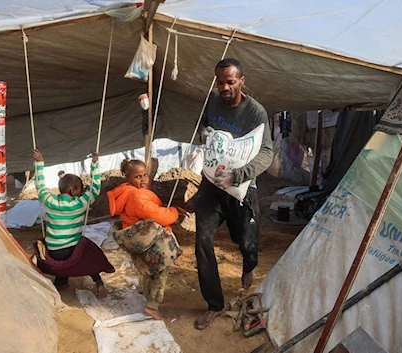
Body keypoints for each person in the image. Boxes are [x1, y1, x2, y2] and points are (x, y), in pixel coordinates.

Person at [194, 58, 273, 330]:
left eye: (230, 82)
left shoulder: (256, 113)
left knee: (247, 242)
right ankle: (215, 304)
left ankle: (249, 265)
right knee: (202, 242)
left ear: (241, 80)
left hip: (241, 188)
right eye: (220, 82)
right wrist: (203, 132)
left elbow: (266, 152)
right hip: (211, 185)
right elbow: (202, 126)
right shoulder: (213, 102)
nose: (224, 87)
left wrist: (238, 175)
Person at [107, 158, 186, 320]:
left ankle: (146, 293)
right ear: (127, 178)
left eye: (145, 175)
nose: (143, 179)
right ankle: (152, 306)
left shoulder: (126, 193)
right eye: (138, 177)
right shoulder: (138, 197)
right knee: (160, 272)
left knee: (149, 270)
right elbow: (158, 216)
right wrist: (173, 212)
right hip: (151, 241)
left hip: (141, 242)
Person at [33, 148, 110, 297]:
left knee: (58, 255)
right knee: (90, 254)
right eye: (80, 190)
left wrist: (40, 163)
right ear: (74, 190)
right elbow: (95, 188)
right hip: (72, 251)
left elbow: (40, 186)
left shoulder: (50, 201)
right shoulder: (81, 203)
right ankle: (98, 281)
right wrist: (94, 164)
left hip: (54, 252)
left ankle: (61, 282)